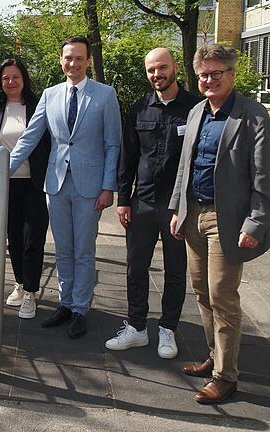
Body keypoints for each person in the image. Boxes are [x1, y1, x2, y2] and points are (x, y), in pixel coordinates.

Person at [169, 44, 270, 404]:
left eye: (216, 73)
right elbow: (186, 166)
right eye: (203, 75)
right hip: (193, 213)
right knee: (200, 290)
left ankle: (226, 377)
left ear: (231, 74)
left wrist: (255, 223)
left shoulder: (253, 115)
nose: (209, 80)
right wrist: (178, 208)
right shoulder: (197, 112)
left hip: (227, 220)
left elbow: (263, 176)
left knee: (222, 295)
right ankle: (215, 357)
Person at [8, 36, 121, 338]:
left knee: (83, 249)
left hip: (90, 186)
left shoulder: (105, 95)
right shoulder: (50, 94)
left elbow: (112, 144)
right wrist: (1, 170)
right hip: (56, 184)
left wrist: (109, 186)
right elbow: (30, 137)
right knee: (62, 249)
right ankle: (65, 303)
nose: (73, 63)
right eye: (68, 58)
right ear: (62, 60)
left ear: (87, 61)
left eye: (79, 58)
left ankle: (81, 308)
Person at [105, 48, 201, 358]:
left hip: (177, 206)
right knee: (136, 268)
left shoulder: (195, 110)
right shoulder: (138, 110)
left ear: (174, 67)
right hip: (142, 202)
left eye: (161, 68)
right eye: (151, 70)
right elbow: (128, 157)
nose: (156, 74)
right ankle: (136, 328)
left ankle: (168, 330)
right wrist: (123, 199)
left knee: (175, 270)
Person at [0, 57, 51, 320]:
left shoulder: (39, 106)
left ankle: (31, 291)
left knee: (33, 238)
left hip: (35, 184)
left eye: (15, 77)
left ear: (24, 79)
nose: (10, 82)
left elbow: (50, 142)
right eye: (5, 78)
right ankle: (20, 282)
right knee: (14, 239)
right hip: (6, 185)